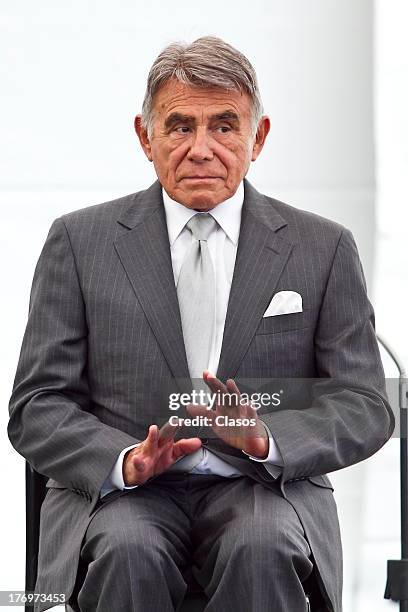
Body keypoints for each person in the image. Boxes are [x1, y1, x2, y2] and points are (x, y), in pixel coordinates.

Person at [8, 36, 394, 612]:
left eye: (224, 126)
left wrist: (268, 439)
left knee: (262, 547)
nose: (201, 148)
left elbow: (365, 403)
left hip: (263, 486)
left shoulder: (323, 248)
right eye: (180, 125)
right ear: (146, 135)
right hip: (126, 496)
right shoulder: (78, 243)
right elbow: (36, 405)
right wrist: (125, 461)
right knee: (128, 551)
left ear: (257, 138)